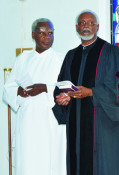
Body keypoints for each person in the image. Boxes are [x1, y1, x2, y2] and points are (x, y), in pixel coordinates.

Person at [52, 10, 119, 175]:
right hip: (77, 125)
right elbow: (61, 85)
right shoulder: (71, 56)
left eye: (90, 23)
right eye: (82, 23)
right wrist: (62, 98)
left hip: (102, 124)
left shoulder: (110, 52)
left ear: (97, 27)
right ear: (76, 28)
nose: (85, 26)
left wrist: (91, 92)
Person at [2, 18, 66, 175]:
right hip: (28, 121)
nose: (47, 37)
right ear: (33, 35)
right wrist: (18, 91)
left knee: (50, 163)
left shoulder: (61, 59)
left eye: (50, 33)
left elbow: (66, 88)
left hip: (50, 120)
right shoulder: (22, 59)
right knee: (28, 162)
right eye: (42, 33)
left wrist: (44, 88)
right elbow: (7, 88)